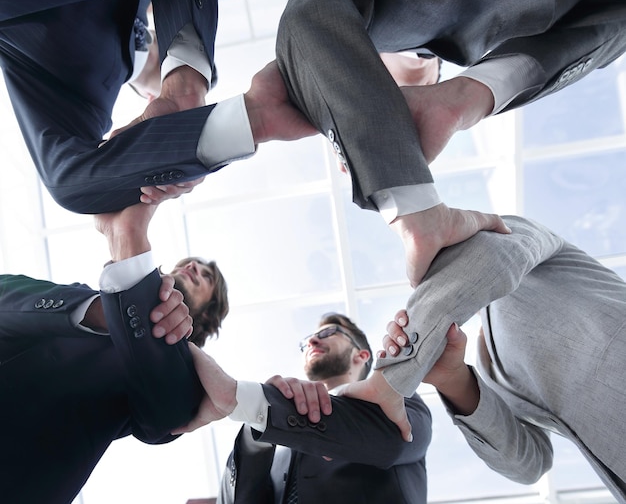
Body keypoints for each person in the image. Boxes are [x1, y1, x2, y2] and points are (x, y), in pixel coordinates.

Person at [275, 0, 626, 286]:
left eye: (380, 108)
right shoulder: (468, 42)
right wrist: (464, 97)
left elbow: (311, 17)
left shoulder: (385, 11)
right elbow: (612, 21)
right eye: (395, 118)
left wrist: (412, 208)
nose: (391, 108)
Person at [337, 215, 626, 500]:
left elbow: (492, 254)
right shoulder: (488, 365)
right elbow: (529, 465)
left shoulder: (512, 233)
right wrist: (453, 379)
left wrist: (391, 379)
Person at [0, 0, 315, 215]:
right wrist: (186, 77)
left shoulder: (84, 100)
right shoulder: (84, 97)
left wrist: (184, 85)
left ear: (148, 100)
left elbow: (68, 181)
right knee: (67, 185)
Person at [0, 200, 228, 504]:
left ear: (207, 314)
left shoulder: (185, 380)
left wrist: (128, 239)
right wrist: (98, 310)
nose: (194, 267)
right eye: (190, 263)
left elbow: (166, 417)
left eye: (205, 277)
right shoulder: (79, 298)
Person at [182, 313, 432, 504]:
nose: (312, 339)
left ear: (362, 355)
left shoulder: (398, 397)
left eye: (328, 333)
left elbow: (394, 441)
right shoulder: (277, 441)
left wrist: (247, 401)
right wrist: (256, 426)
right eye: (308, 341)